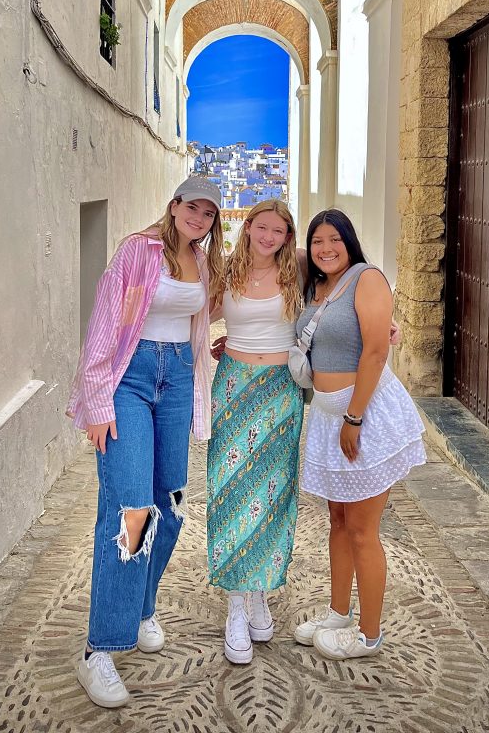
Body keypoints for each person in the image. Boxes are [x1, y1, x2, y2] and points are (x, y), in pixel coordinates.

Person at [67, 175, 224, 708]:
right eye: (192, 207)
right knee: (131, 510)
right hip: (129, 380)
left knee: (168, 506)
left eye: (208, 213)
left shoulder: (203, 262)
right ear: (174, 206)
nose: (198, 218)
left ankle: (140, 604)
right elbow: (104, 324)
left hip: (177, 379)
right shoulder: (138, 250)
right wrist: (97, 401)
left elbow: (235, 297)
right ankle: (99, 649)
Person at [294, 209, 426, 659]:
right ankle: (338, 612)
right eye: (317, 241)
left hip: (363, 414)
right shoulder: (315, 284)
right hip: (328, 416)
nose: (326, 248)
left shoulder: (366, 278)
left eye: (335, 239)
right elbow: (278, 255)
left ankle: (369, 634)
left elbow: (375, 352)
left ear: (349, 241)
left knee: (363, 530)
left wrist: (354, 419)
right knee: (338, 521)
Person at [206, 199, 305, 664]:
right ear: (247, 227)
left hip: (281, 392)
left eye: (278, 230)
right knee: (230, 490)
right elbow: (192, 312)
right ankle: (235, 606)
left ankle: (259, 589)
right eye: (261, 227)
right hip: (233, 388)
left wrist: (384, 320)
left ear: (287, 236)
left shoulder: (298, 269)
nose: (268, 236)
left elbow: (345, 285)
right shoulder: (224, 271)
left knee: (273, 491)